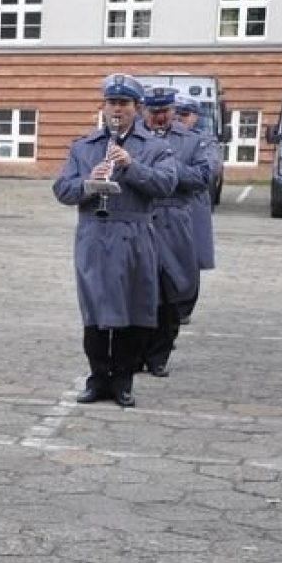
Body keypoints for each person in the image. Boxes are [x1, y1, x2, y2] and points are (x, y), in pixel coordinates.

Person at [52, 74, 179, 407]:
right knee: (95, 307)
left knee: (133, 306)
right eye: (112, 103)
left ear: (136, 108)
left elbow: (166, 185)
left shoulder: (155, 147)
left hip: (135, 232)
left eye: (124, 104)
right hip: (94, 233)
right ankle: (98, 377)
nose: (117, 109)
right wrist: (86, 183)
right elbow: (61, 190)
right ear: (103, 106)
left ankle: (123, 379)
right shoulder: (85, 146)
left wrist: (132, 166)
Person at [138, 87, 210, 378]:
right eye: (154, 111)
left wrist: (165, 167)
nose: (160, 117)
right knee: (139, 288)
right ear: (144, 110)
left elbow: (203, 178)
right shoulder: (131, 138)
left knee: (170, 291)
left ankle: (159, 356)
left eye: (165, 111)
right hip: (140, 216)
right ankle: (136, 352)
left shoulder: (193, 141)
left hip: (174, 218)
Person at [173, 96, 220, 324]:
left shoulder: (203, 141)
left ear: (195, 117)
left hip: (192, 206)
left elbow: (208, 172)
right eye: (177, 113)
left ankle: (184, 309)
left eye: (185, 114)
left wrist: (167, 165)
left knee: (190, 258)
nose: (179, 118)